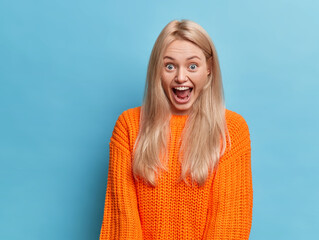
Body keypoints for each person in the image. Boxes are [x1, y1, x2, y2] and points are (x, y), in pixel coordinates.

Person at [99, 19, 253, 240]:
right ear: (157, 70)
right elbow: (123, 220)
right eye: (169, 66)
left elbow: (227, 224)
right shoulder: (129, 126)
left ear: (209, 68)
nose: (181, 77)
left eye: (192, 66)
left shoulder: (232, 130)